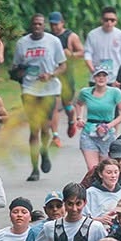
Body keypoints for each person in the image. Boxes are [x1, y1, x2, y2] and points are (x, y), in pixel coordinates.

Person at [11, 14, 67, 181]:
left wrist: (51, 74)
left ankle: (44, 150)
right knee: (34, 129)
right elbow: (15, 68)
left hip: (49, 89)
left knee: (45, 127)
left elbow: (62, 65)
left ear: (44, 26)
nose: (37, 26)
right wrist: (22, 72)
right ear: (31, 25)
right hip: (29, 89)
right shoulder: (22, 43)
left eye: (40, 24)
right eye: (34, 24)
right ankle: (35, 169)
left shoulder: (53, 41)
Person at [73, 66, 121, 172]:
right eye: (98, 76)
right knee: (93, 169)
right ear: (94, 78)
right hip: (89, 132)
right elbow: (78, 104)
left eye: (104, 76)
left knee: (106, 168)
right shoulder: (85, 92)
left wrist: (109, 125)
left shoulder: (115, 92)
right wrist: (79, 118)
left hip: (107, 134)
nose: (101, 78)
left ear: (107, 78)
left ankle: (104, 188)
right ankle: (93, 188)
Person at [47, 11, 85, 144]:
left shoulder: (71, 36)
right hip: (52, 74)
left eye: (56, 24)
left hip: (67, 74)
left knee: (67, 105)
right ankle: (55, 136)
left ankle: (71, 120)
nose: (54, 27)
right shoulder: (48, 37)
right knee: (54, 105)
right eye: (52, 24)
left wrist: (71, 54)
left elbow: (82, 52)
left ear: (62, 23)